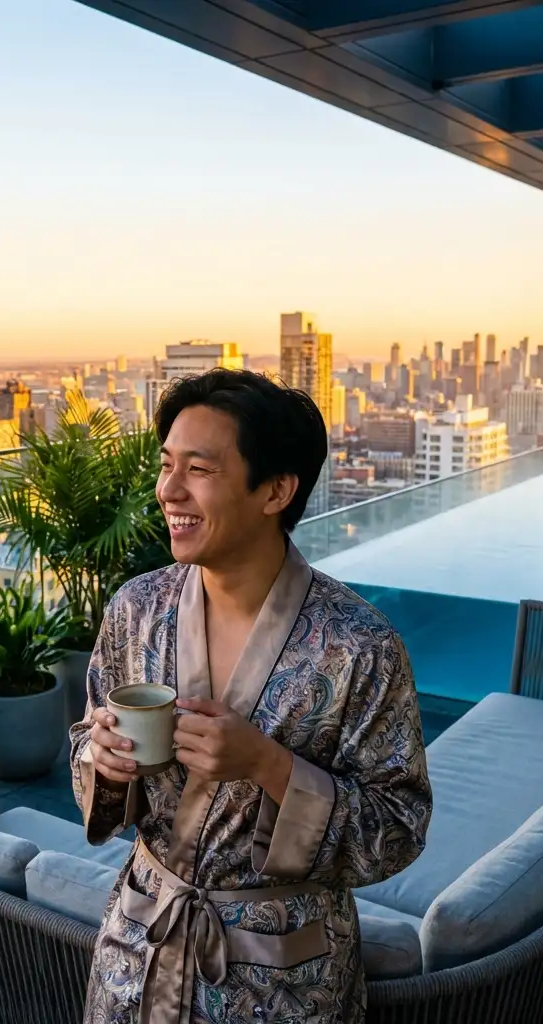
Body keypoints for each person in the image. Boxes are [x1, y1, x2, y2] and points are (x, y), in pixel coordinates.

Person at [70, 368, 431, 1024]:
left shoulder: (358, 648)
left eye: (199, 470)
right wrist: (103, 759)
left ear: (275, 490)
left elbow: (398, 830)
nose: (168, 491)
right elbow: (85, 744)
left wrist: (268, 764)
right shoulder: (136, 609)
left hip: (282, 985)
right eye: (166, 465)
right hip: (140, 951)